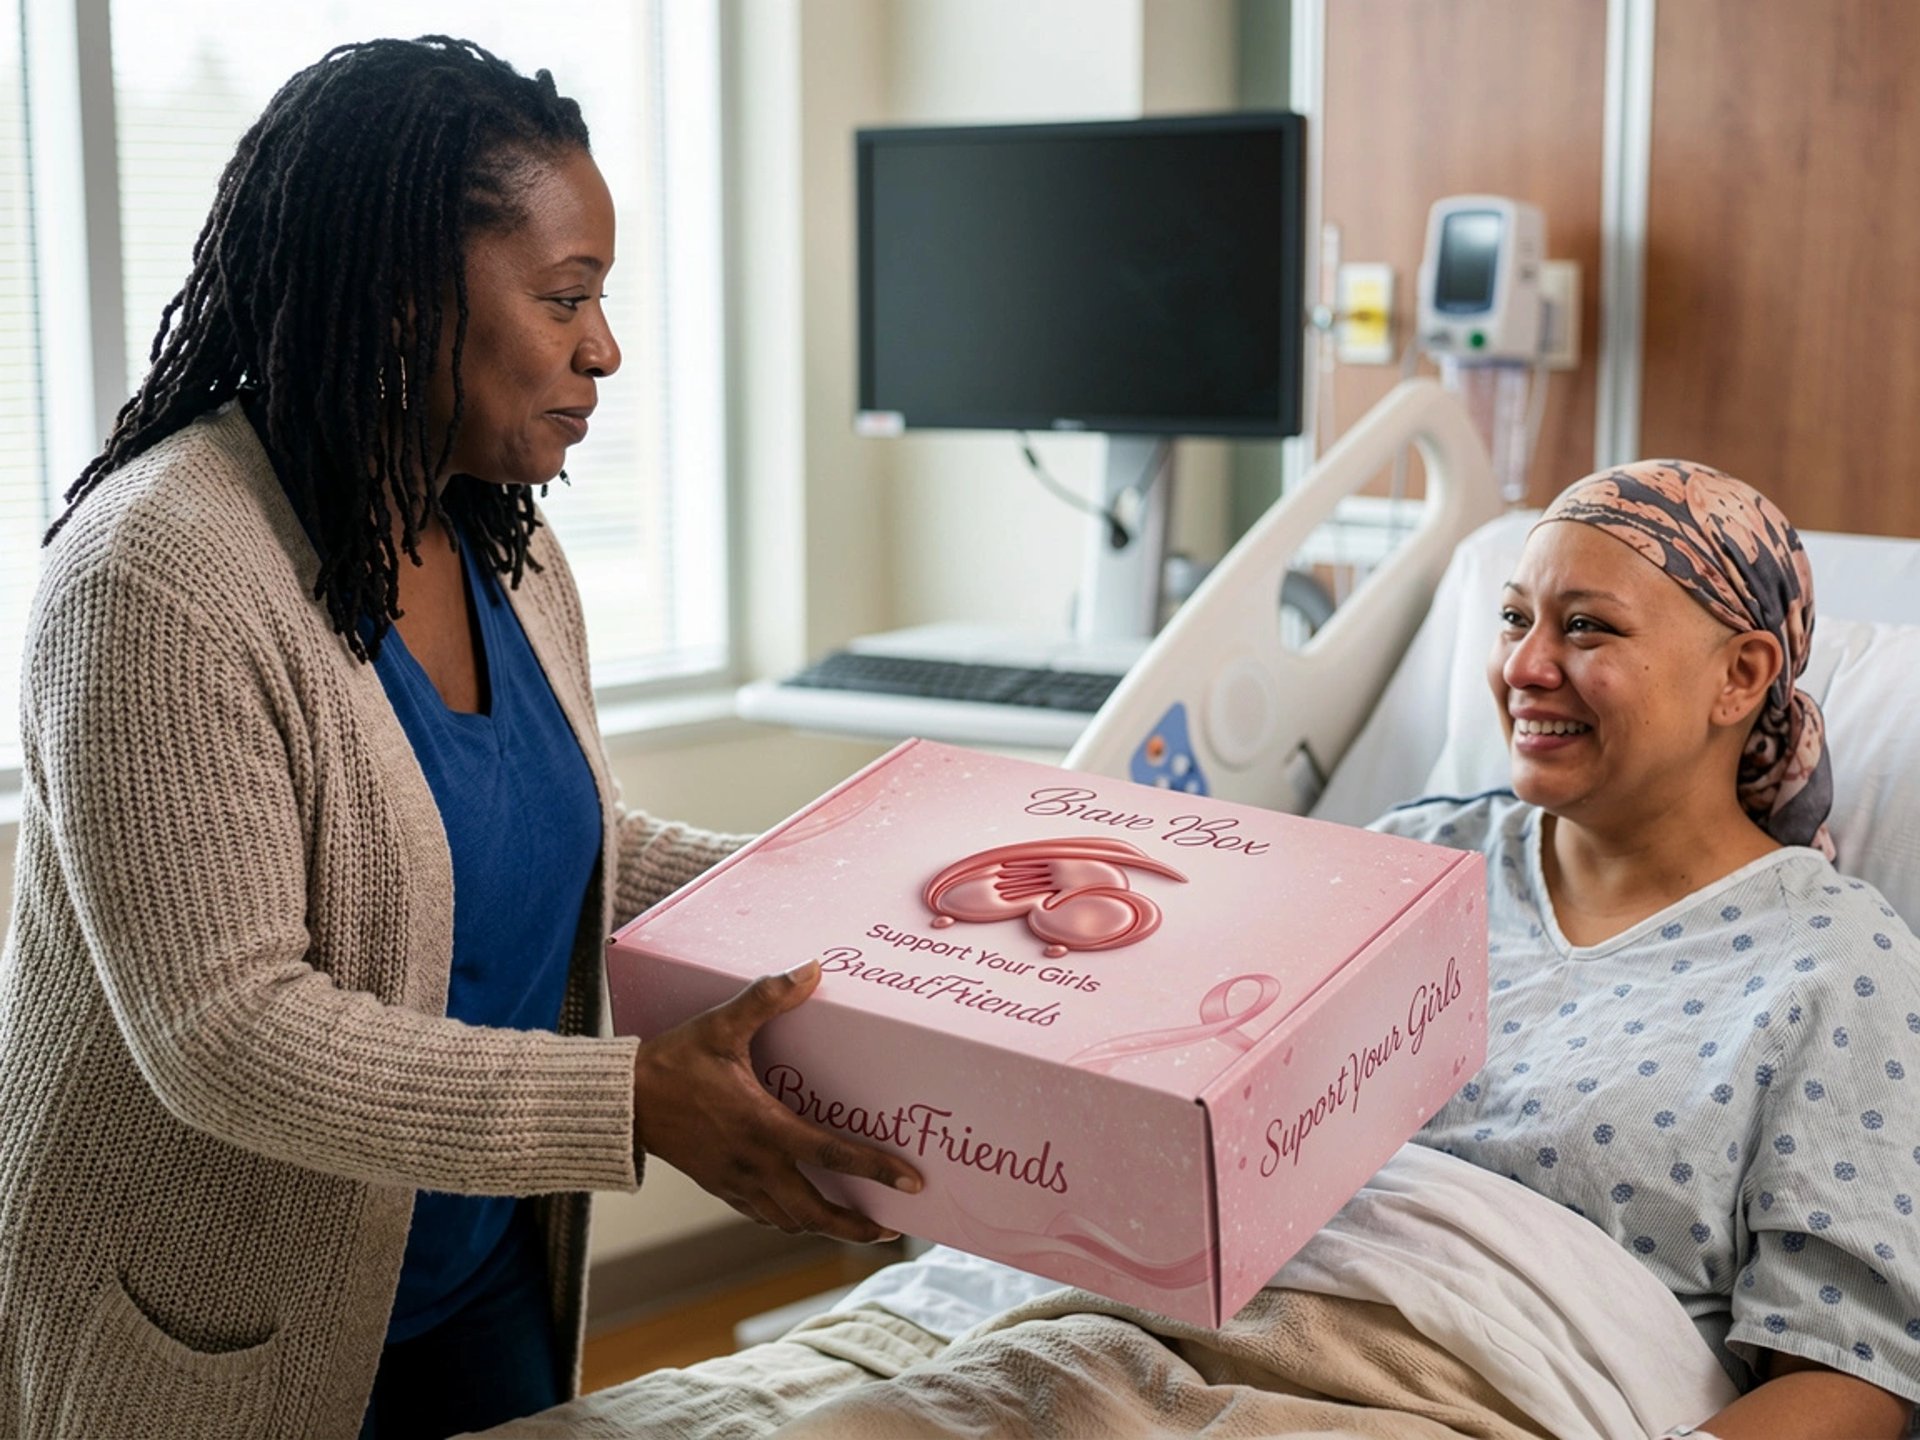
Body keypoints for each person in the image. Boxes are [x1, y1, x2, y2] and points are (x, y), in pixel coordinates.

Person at [0, 36, 919, 1440]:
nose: (603, 349)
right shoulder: (156, 573)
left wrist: (864, 892)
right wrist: (633, 1101)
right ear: (400, 299)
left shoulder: (500, 541)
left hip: (478, 1272)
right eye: (566, 298)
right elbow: (225, 1031)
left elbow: (582, 844)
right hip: (218, 1329)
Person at [1376, 460, 1919, 1439]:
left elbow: (1851, 1379)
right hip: (1199, 1339)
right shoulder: (1401, 866)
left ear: (1740, 676)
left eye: (1586, 626)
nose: (1526, 666)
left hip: (1478, 1403)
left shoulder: (1837, 966)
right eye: (1512, 619)